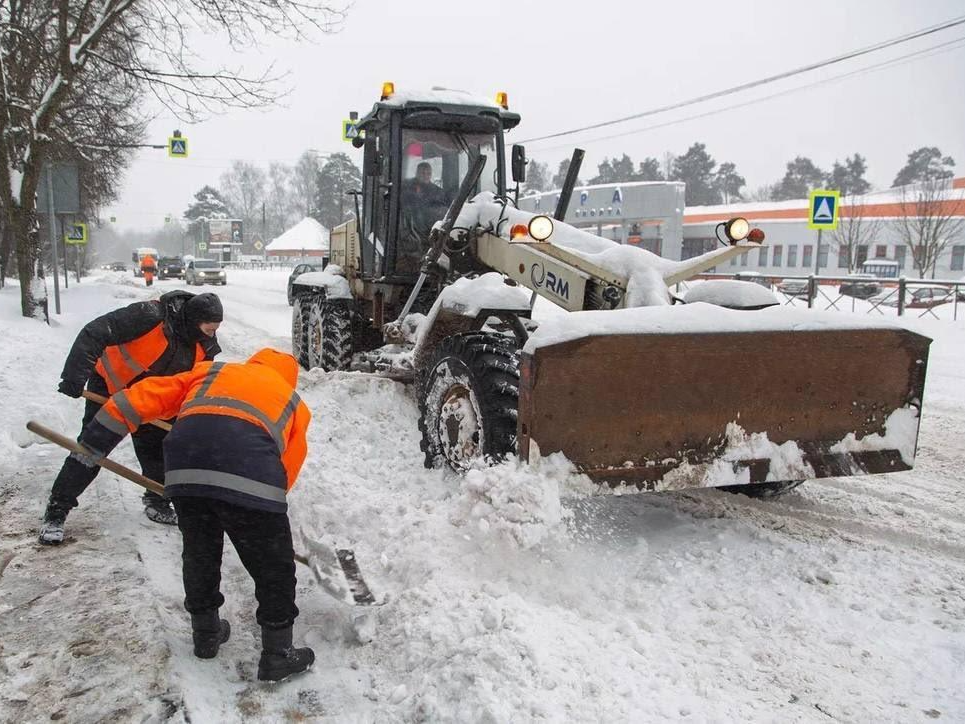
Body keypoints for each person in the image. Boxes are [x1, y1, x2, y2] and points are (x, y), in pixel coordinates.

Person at [74, 348, 315, 682]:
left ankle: (206, 635)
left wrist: (92, 445)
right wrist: (259, 518)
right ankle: (278, 654)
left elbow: (138, 399)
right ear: (289, 377)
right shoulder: (293, 402)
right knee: (274, 566)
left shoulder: (211, 373)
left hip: (185, 468)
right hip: (250, 472)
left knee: (200, 551)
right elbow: (287, 468)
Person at [38, 291, 223, 545]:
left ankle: (157, 500)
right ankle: (57, 510)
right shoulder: (150, 316)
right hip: (111, 389)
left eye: (215, 329)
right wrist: (74, 376)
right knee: (91, 449)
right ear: (193, 319)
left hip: (151, 399)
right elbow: (96, 331)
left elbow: (196, 381)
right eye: (209, 328)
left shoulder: (204, 343)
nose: (212, 334)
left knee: (163, 448)